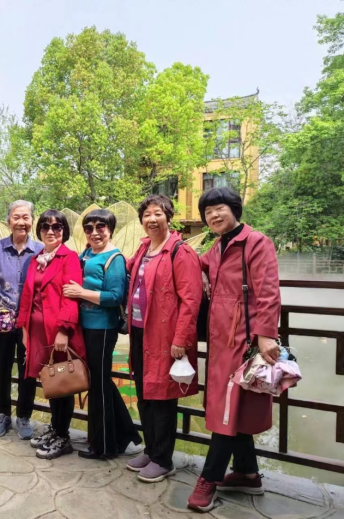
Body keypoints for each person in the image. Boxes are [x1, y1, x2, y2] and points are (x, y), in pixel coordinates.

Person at [187, 187, 281, 512]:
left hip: (243, 340)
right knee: (233, 405)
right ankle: (247, 473)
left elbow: (268, 291)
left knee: (226, 408)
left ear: (234, 209)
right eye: (208, 211)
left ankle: (209, 479)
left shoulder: (256, 242)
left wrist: (266, 335)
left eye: (219, 208)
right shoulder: (217, 247)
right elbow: (193, 264)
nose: (213, 215)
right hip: (220, 339)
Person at [125, 194, 203, 483]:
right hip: (139, 331)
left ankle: (163, 459)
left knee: (163, 398)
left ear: (169, 217)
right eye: (147, 214)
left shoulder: (180, 252)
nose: (152, 219)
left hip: (165, 336)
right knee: (144, 394)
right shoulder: (144, 248)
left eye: (158, 213)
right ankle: (151, 449)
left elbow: (191, 300)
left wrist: (181, 339)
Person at [61, 209, 144, 460]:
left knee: (98, 384)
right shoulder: (86, 254)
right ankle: (123, 434)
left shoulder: (115, 258)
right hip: (84, 326)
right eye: (89, 228)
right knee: (98, 382)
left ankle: (104, 445)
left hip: (103, 328)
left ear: (110, 229)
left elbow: (115, 297)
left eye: (101, 227)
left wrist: (81, 293)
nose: (95, 233)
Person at [16, 209, 86, 459]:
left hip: (56, 331)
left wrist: (63, 331)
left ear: (64, 231)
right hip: (36, 331)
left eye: (57, 227)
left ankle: (63, 436)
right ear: (39, 231)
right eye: (45, 226)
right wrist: (24, 329)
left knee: (62, 382)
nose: (51, 231)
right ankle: (55, 429)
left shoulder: (69, 257)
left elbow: (71, 296)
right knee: (49, 380)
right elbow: (27, 295)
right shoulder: (37, 259)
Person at [0, 200, 43, 439]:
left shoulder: (40, 250)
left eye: (26, 217)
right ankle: (3, 415)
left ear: (32, 221)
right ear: (9, 221)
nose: (21, 222)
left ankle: (24, 416)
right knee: (1, 369)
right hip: (1, 318)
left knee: (28, 370)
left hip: (30, 321)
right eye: (17, 217)